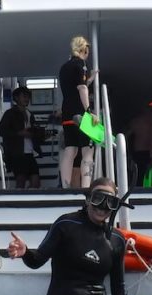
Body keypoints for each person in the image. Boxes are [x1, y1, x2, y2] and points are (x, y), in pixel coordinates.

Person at [6, 178, 131, 295]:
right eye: (97, 198)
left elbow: (118, 287)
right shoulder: (66, 224)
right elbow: (36, 261)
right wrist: (25, 252)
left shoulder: (116, 240)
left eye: (109, 202)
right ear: (88, 199)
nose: (102, 207)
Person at [58, 36, 97, 189]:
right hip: (81, 114)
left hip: (67, 112)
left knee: (70, 149)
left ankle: (66, 186)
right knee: (88, 150)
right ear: (84, 49)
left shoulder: (64, 67)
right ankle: (86, 186)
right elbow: (82, 88)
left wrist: (90, 79)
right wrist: (89, 111)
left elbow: (76, 85)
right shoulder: (81, 64)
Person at [0, 86, 44, 189]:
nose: (26, 99)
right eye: (24, 96)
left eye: (28, 97)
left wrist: (38, 134)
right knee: (20, 181)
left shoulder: (30, 114)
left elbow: (33, 131)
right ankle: (19, 201)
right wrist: (19, 133)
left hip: (30, 152)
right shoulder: (9, 113)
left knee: (36, 182)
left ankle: (29, 201)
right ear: (16, 98)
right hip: (16, 153)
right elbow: (0, 131)